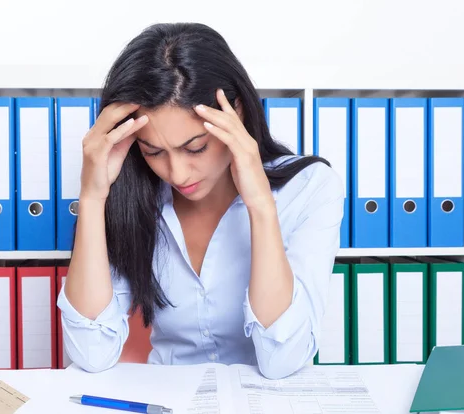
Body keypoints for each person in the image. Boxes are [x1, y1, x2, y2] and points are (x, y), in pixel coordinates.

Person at [57, 22, 344, 380]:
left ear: (235, 113)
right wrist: (92, 197)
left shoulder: (310, 188)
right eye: (153, 152)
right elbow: (91, 353)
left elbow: (282, 362)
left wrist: (260, 205)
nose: (177, 174)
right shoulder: (133, 195)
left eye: (195, 148)